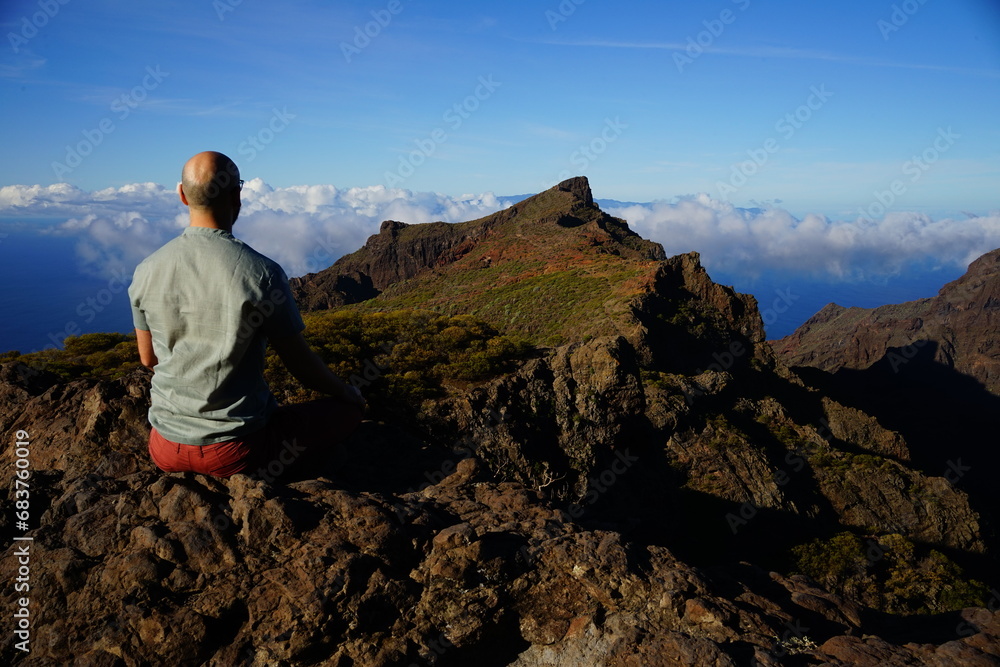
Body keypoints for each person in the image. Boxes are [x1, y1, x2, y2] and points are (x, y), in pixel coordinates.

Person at [128, 151, 365, 480]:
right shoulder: (263, 274)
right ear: (237, 194)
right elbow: (302, 367)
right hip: (236, 453)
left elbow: (148, 358)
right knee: (346, 414)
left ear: (181, 194)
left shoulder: (146, 270)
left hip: (165, 448)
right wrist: (346, 392)